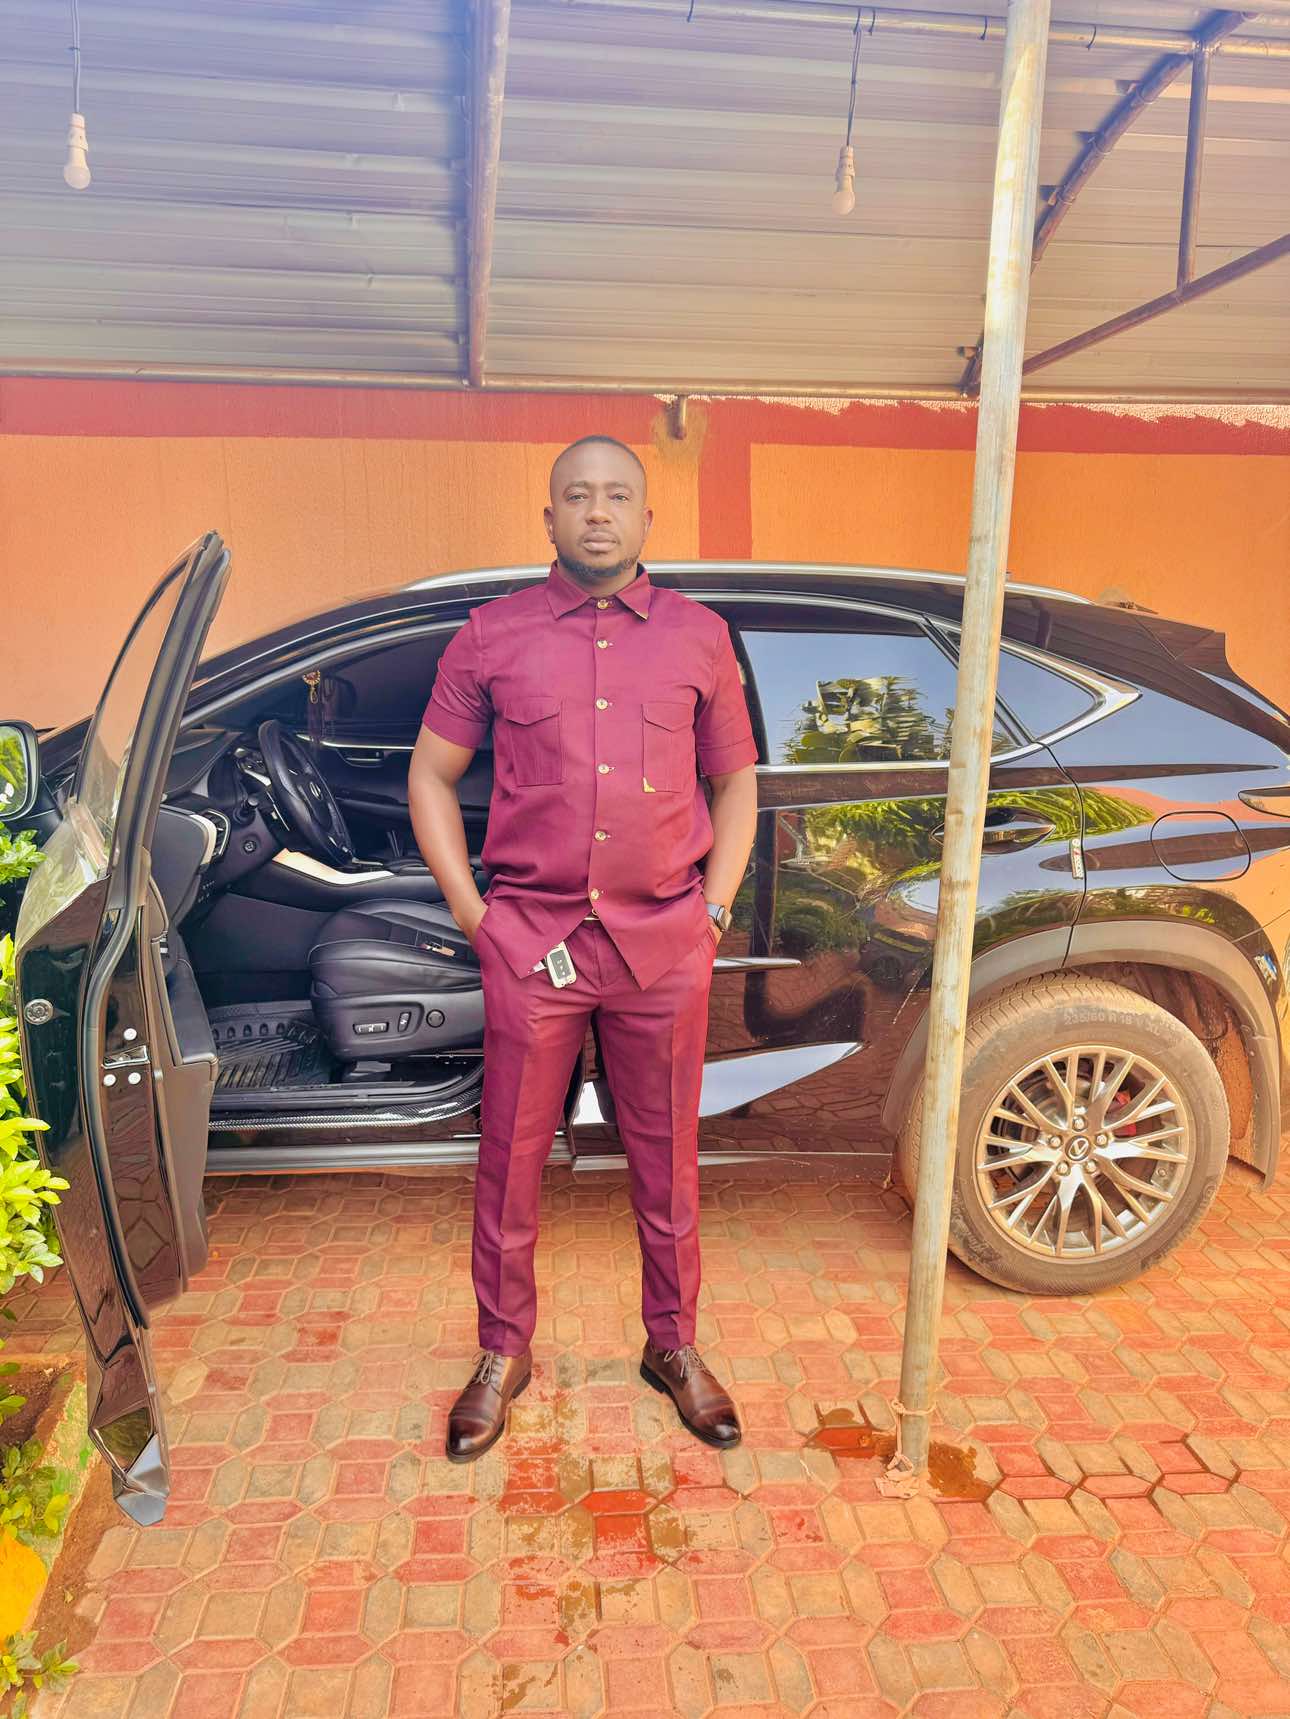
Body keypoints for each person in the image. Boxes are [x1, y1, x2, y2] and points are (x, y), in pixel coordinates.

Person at [408, 435, 759, 1462]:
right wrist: (477, 919)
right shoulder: (491, 637)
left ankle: (673, 1344)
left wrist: (713, 912)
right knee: (510, 1158)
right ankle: (501, 1351)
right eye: (577, 495)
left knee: (668, 1160)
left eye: (616, 496)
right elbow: (432, 776)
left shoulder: (700, 638)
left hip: (664, 944)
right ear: (550, 517)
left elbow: (737, 783)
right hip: (532, 944)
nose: (597, 512)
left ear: (647, 518)